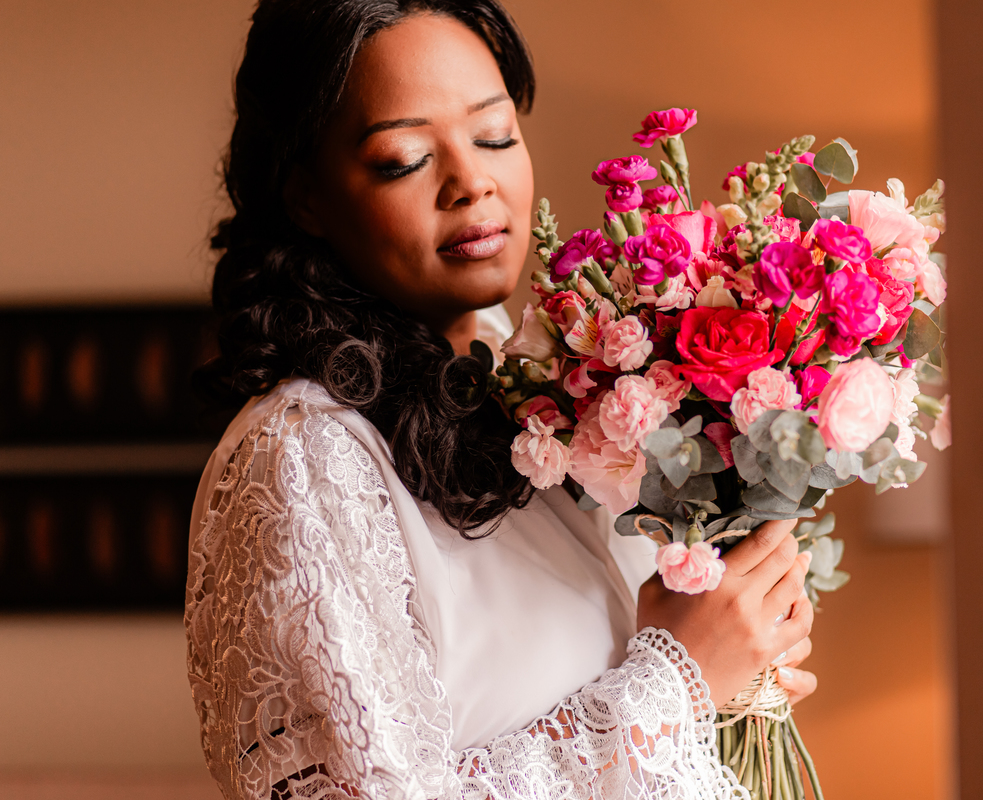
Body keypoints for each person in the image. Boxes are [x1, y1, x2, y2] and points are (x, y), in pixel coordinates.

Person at [185, 2, 817, 798]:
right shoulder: (307, 457)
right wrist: (674, 683)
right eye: (406, 159)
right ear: (306, 195)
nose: (471, 182)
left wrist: (734, 670)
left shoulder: (562, 384)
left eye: (493, 136)